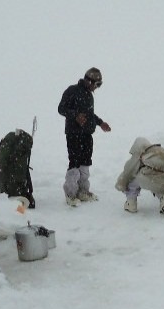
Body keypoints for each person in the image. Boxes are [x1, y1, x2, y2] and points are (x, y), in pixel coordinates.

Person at [58, 67, 112, 207]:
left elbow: (89, 114)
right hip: (74, 134)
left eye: (99, 85)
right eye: (97, 84)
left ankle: (82, 191)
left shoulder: (89, 95)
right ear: (89, 80)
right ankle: (70, 194)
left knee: (85, 163)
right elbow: (61, 108)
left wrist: (100, 123)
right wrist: (75, 115)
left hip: (87, 135)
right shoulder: (72, 91)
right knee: (74, 163)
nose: (97, 88)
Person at [115, 137, 164, 216]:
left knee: (134, 177)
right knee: (157, 183)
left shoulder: (140, 154)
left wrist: (121, 185)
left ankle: (131, 203)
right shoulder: (159, 150)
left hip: (153, 177)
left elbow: (128, 172)